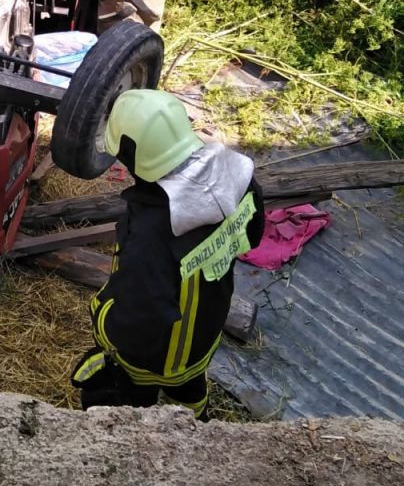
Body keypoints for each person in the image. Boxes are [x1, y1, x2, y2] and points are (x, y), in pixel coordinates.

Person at [71, 89, 264, 420]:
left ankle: (139, 430)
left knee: (131, 404)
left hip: (153, 359)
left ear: (133, 156)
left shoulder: (151, 231)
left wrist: (105, 323)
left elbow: (141, 321)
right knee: (190, 389)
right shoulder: (237, 179)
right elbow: (253, 234)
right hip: (206, 333)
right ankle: (197, 422)